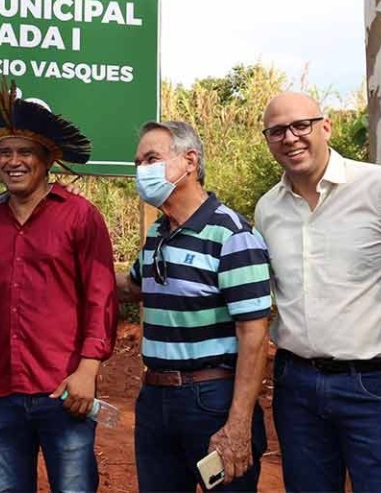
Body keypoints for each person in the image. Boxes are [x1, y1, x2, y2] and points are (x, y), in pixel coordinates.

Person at [254, 92, 381, 492]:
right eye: (277, 131)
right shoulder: (268, 209)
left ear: (325, 126)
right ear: (267, 139)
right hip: (296, 385)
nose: (290, 138)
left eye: (300, 125)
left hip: (374, 384)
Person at [0, 77, 118, 492]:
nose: (13, 161)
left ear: (45, 159)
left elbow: (101, 295)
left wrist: (88, 370)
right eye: (5, 153)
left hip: (64, 388)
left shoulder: (80, 217)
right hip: (0, 389)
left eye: (24, 151)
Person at [115, 120, 272, 492]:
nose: (141, 171)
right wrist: (72, 263)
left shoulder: (232, 235)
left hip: (211, 400)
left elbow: (254, 333)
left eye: (151, 159)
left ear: (189, 161)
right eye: (138, 162)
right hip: (155, 396)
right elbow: (133, 287)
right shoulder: (159, 231)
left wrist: (237, 425)